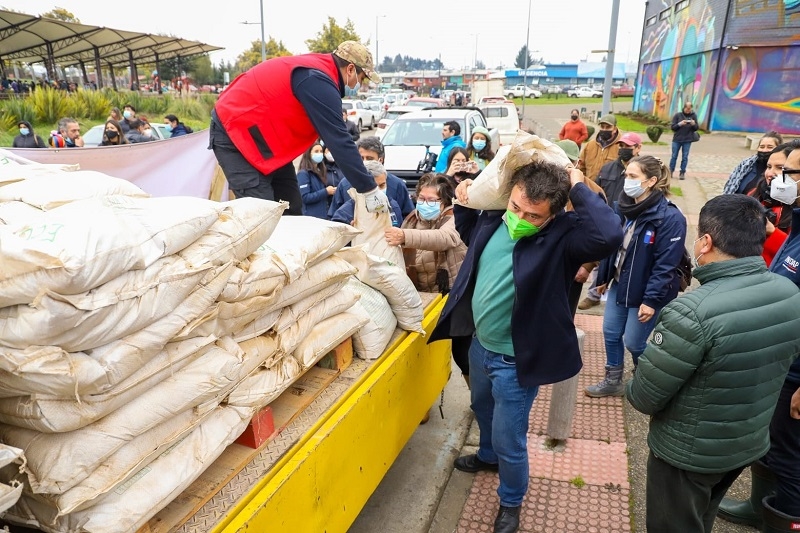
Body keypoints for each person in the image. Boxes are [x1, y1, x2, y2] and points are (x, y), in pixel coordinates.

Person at [429, 161, 623, 533]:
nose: (519, 217)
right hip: (480, 345)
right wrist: (466, 196)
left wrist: (579, 186)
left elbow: (609, 235)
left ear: (553, 214)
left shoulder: (563, 239)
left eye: (532, 215)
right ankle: (487, 457)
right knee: (480, 408)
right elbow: (468, 229)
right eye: (515, 207)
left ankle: (511, 501)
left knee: (510, 438)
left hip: (514, 362)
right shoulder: (494, 216)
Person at [627, 194, 800, 533]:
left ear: (705, 242)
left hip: (687, 453)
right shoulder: (788, 292)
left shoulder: (690, 311)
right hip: (745, 442)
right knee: (702, 515)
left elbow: (645, 396)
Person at [718, 145, 800, 531]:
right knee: (768, 444)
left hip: (797, 374)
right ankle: (760, 506)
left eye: (791, 172)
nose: (779, 178)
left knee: (789, 456)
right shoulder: (795, 221)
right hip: (779, 359)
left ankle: (787, 519)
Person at [209, 40, 388, 216]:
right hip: (235, 130)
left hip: (266, 138)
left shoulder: (320, 73)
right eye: (362, 78)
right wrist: (369, 188)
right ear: (350, 69)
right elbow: (339, 140)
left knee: (290, 204)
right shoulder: (317, 80)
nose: (360, 85)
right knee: (261, 214)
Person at [585, 155, 687, 397]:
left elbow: (666, 265)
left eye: (633, 177)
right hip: (621, 285)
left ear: (651, 181)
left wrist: (651, 301)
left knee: (634, 342)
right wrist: (604, 279)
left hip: (646, 291)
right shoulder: (623, 207)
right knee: (610, 333)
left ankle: (647, 377)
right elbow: (614, 245)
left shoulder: (670, 218)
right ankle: (613, 380)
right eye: (626, 175)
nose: (626, 181)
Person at [384, 172, 470, 384]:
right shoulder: (411, 220)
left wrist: (404, 237)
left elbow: (445, 238)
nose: (425, 203)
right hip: (422, 295)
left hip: (451, 294)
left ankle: (476, 397)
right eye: (421, 198)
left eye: (432, 200)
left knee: (462, 353)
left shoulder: (453, 217)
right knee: (423, 352)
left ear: (445, 202)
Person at [577, 132, 644, 311]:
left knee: (623, 259)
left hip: (630, 220)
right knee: (602, 255)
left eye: (628, 147)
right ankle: (595, 293)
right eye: (621, 146)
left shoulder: (644, 170)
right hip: (607, 217)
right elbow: (597, 191)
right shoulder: (608, 169)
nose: (623, 149)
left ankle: (617, 294)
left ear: (638, 148)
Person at [555, 139, 610, 317]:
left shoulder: (592, 191)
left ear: (577, 163)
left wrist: (587, 266)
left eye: (567, 163)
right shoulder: (542, 185)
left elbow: (601, 232)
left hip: (574, 266)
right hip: (545, 261)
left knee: (564, 315)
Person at [328, 135, 414, 218]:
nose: (364, 162)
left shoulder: (397, 185)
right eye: (361, 158)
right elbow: (334, 217)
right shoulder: (345, 184)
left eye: (369, 158)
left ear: (381, 160)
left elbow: (408, 217)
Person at [331, 160, 403, 227]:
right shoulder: (347, 211)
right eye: (373, 187)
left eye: (382, 185)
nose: (377, 190)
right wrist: (349, 231)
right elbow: (335, 233)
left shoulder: (393, 206)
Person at [578, 114, 622, 181]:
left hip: (608, 189)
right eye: (602, 127)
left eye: (608, 127)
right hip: (589, 187)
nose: (604, 129)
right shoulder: (590, 145)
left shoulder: (620, 146)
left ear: (615, 129)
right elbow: (581, 167)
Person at [297, 141, 335, 219]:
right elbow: (305, 197)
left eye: (321, 151)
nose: (319, 154)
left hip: (323, 215)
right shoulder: (303, 174)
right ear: (309, 153)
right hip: (311, 217)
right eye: (316, 151)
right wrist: (326, 191)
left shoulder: (320, 171)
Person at [669, 102, 699, 180]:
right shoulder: (678, 115)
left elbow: (696, 128)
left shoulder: (693, 116)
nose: (688, 110)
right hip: (677, 139)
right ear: (684, 108)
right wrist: (680, 124)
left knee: (685, 157)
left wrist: (693, 124)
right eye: (687, 109)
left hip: (687, 139)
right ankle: (671, 171)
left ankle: (682, 172)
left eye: (690, 109)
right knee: (674, 156)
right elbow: (673, 127)